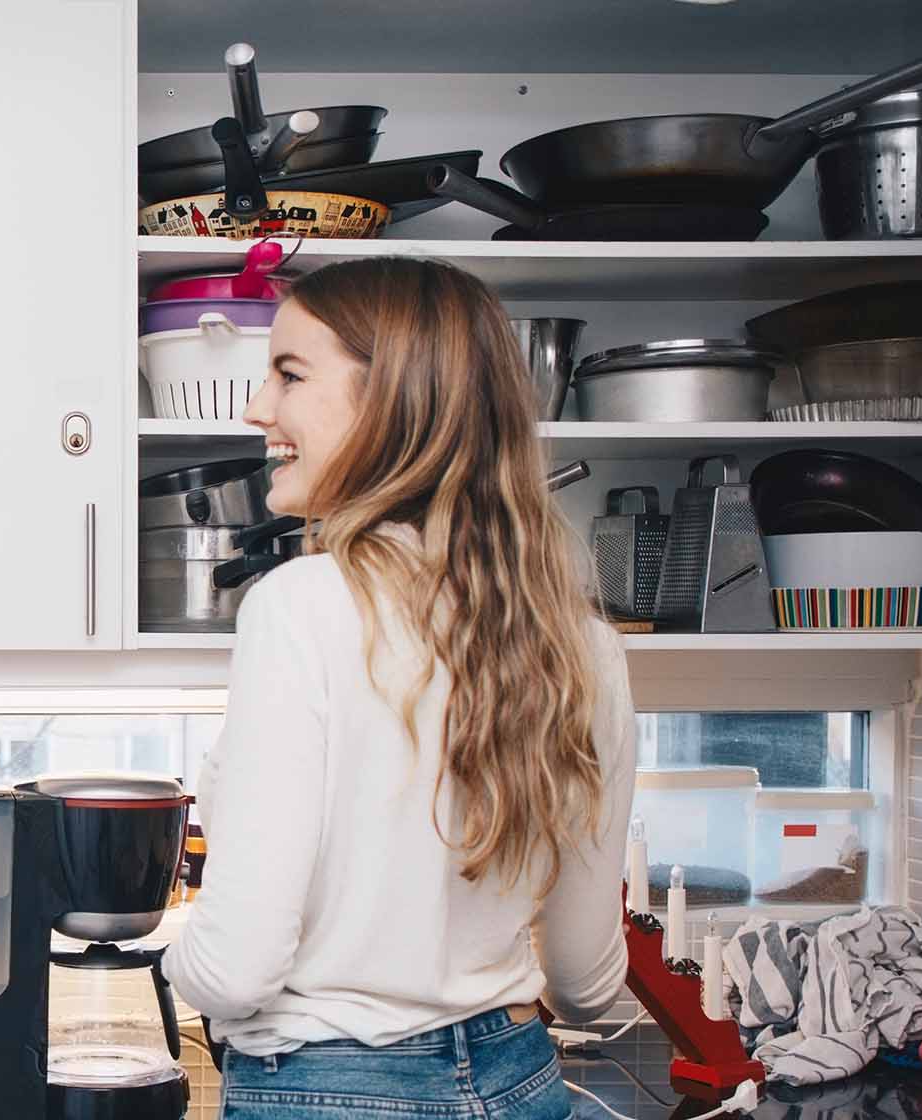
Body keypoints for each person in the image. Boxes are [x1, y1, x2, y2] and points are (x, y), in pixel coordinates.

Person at [160, 258, 637, 1120]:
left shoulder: (301, 605)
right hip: (519, 1081)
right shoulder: (584, 642)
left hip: (329, 1088)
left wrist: (172, 967)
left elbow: (237, 967)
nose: (257, 408)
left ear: (395, 401)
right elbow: (586, 983)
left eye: (289, 375)